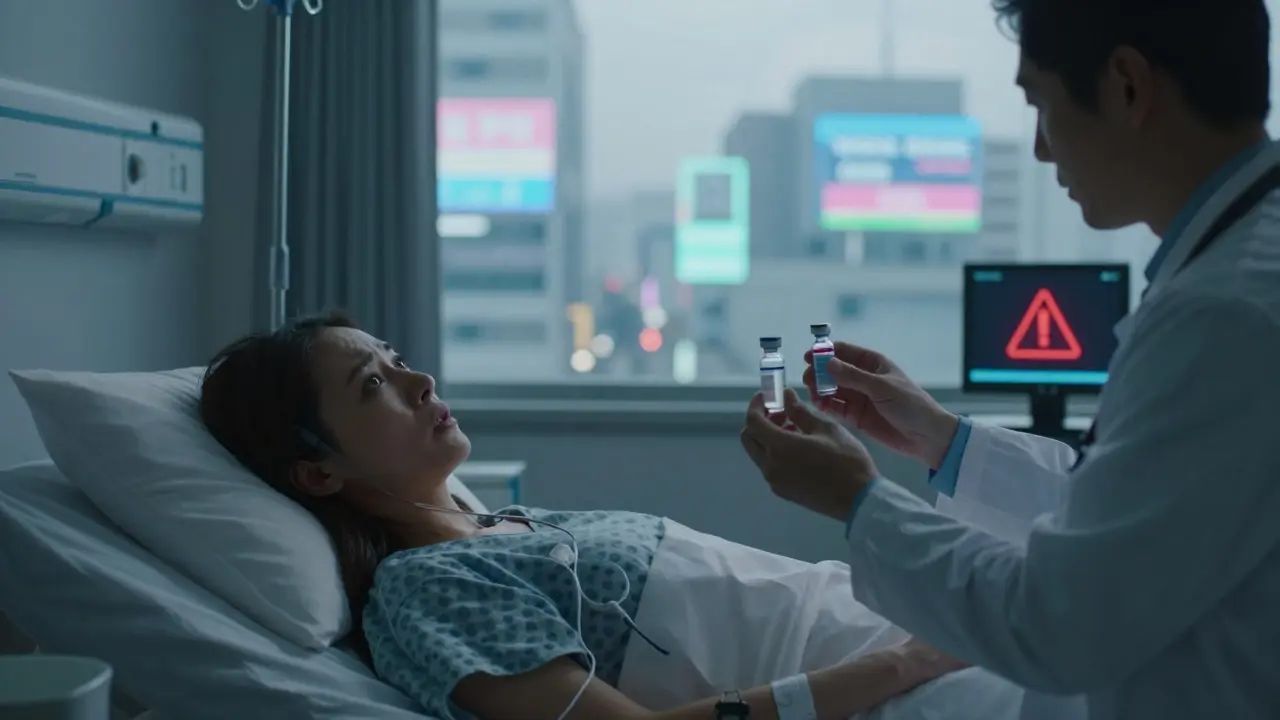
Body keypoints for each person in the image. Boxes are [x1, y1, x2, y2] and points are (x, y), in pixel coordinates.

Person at [740, 0, 1280, 718]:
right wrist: (946, 441)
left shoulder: (1224, 316)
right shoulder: (1236, 275)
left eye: (1041, 105)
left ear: (1126, 86)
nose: (1040, 151)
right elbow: (1135, 514)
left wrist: (859, 503)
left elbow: (1063, 621)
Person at [198, 311, 1031, 720]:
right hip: (894, 688)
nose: (420, 382)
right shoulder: (423, 594)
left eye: (399, 361)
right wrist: (902, 666)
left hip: (914, 629)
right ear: (317, 469)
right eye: (373, 385)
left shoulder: (515, 526)